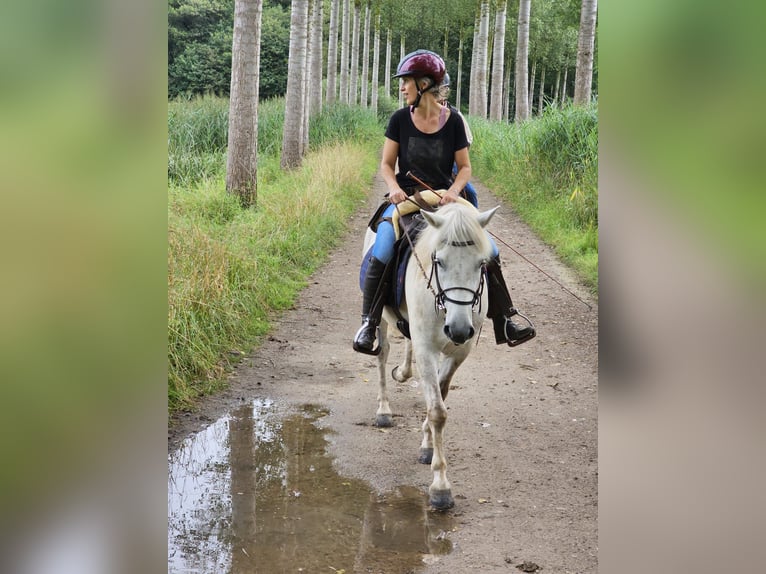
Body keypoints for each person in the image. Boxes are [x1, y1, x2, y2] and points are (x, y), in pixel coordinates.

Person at [353, 49, 535, 355]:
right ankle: (369, 324)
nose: (402, 88)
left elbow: (464, 167)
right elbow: (386, 164)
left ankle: (505, 318)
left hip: (448, 199)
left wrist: (454, 190)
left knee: (490, 249)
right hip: (409, 198)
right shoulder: (399, 119)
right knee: (383, 247)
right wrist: (394, 187)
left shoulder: (454, 122)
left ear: (423, 84)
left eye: (406, 81)